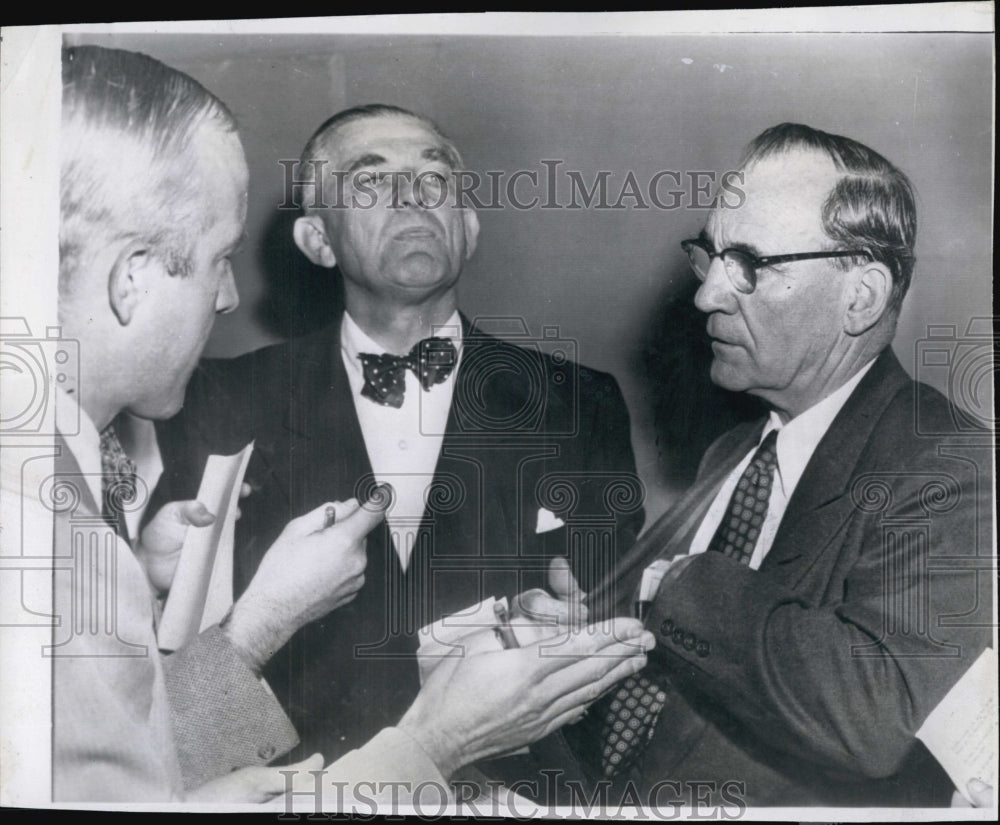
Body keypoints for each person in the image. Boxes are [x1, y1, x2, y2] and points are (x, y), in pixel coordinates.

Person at [48, 44, 653, 804]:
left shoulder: (578, 398)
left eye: (435, 178)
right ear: (316, 239)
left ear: (469, 227)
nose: (412, 196)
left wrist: (585, 621)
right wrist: (148, 569)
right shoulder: (208, 395)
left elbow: (617, 613)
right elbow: (129, 689)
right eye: (372, 179)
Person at [568, 123, 993, 807]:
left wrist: (670, 585)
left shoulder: (952, 465)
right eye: (710, 257)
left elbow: (876, 714)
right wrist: (588, 633)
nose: (706, 295)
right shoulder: (735, 451)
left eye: (749, 264)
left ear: (861, 295)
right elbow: (681, 667)